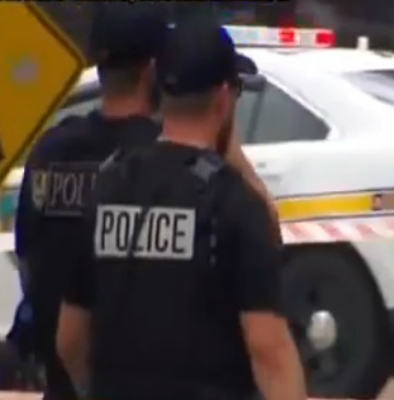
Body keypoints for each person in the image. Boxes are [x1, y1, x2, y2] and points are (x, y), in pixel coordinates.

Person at [14, 4, 278, 400]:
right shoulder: (162, 161)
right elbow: (265, 243)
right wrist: (225, 139)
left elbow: (28, 260)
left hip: (66, 382)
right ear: (155, 71)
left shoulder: (49, 152)